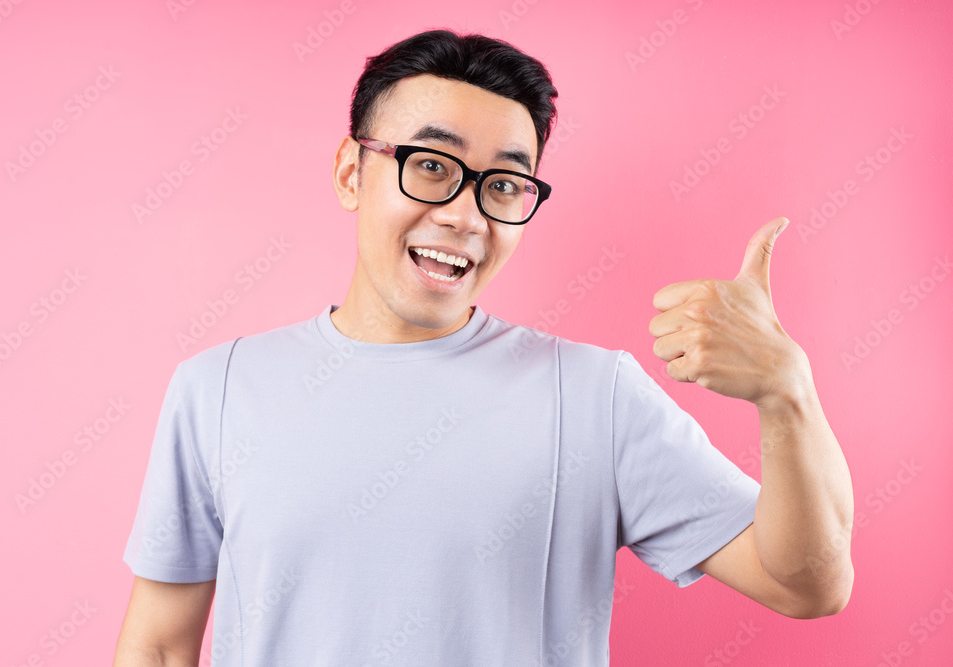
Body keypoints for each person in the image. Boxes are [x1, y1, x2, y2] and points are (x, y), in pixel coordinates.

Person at [113, 28, 853, 667]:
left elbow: (808, 584)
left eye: (503, 184)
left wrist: (787, 395)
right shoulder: (218, 387)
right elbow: (159, 645)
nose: (466, 215)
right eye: (431, 166)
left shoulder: (595, 395)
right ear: (351, 171)